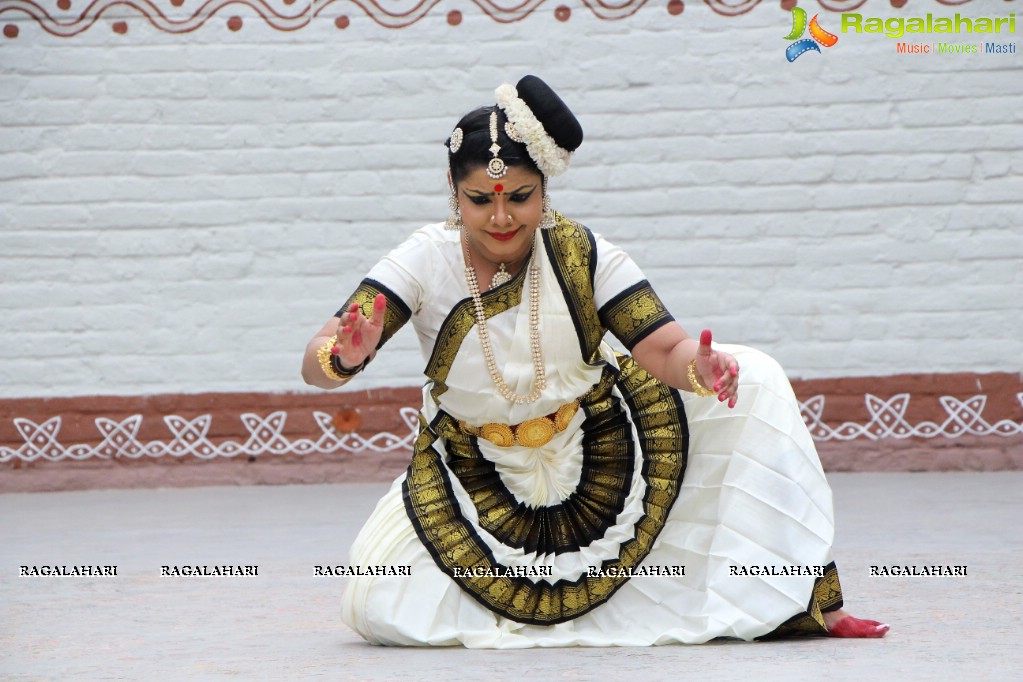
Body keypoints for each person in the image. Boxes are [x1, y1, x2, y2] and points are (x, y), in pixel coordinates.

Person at [301, 75, 888, 647]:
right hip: (472, 468)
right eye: (480, 200)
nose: (501, 218)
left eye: (520, 198)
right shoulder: (424, 258)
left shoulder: (582, 253)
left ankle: (803, 601)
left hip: (595, 448)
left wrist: (699, 368)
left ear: (544, 192)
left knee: (755, 375)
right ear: (454, 193)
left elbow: (661, 344)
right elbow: (318, 359)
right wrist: (343, 356)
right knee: (377, 601)